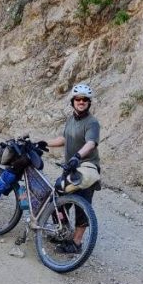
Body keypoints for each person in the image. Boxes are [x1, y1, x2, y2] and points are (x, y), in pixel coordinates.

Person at [42, 82, 101, 254]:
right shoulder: (70, 120)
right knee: (58, 199)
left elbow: (91, 143)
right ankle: (63, 232)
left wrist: (77, 157)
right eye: (78, 99)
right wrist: (43, 143)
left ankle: (76, 243)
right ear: (73, 102)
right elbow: (63, 139)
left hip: (87, 170)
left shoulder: (92, 123)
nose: (81, 102)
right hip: (71, 169)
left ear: (89, 102)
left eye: (85, 99)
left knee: (82, 206)